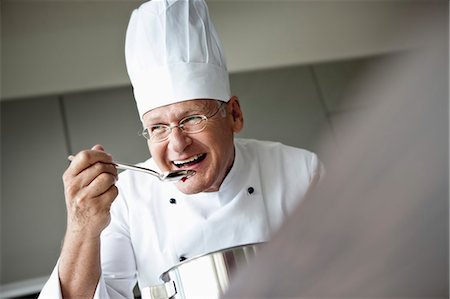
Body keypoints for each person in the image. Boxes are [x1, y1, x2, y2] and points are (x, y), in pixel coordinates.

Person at [39, 0, 323, 298]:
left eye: (192, 119)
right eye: (158, 128)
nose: (177, 144)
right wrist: (81, 226)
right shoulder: (128, 197)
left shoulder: (301, 171)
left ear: (235, 115)